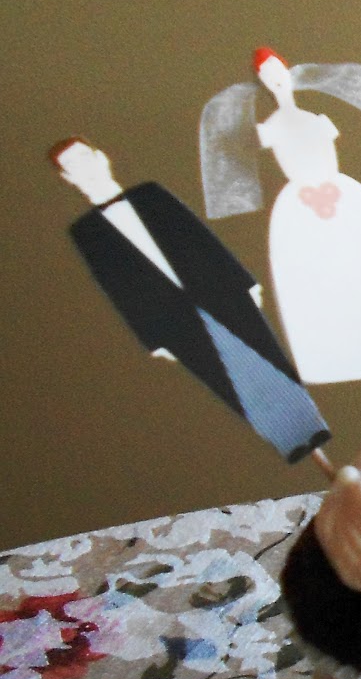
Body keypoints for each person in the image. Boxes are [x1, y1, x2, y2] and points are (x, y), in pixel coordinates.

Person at [55, 137, 330, 464]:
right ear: (68, 179)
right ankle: (288, 441)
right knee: (222, 375)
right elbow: (114, 287)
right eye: (72, 167)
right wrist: (151, 339)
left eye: (85, 157)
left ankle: (311, 426)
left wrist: (243, 281)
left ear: (101, 157)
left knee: (263, 349)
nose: (84, 168)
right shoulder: (87, 233)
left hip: (216, 288)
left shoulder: (150, 195)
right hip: (168, 316)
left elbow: (199, 237)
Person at [199, 49, 361, 386]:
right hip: (302, 207)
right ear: (263, 81)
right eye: (268, 77)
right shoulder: (271, 128)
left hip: (343, 196)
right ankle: (347, 355)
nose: (276, 81)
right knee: (324, 278)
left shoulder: (313, 119)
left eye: (278, 73)